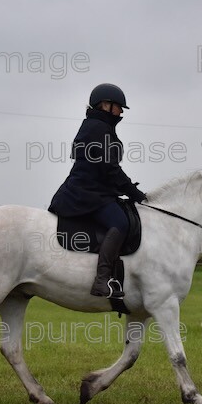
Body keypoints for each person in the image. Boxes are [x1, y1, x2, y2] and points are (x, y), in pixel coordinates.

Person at [49, 83, 146, 299]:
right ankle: (101, 280)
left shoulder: (98, 126)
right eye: (119, 107)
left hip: (94, 189)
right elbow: (110, 168)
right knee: (120, 222)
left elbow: (105, 167)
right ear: (105, 105)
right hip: (87, 193)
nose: (121, 112)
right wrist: (135, 193)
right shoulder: (98, 128)